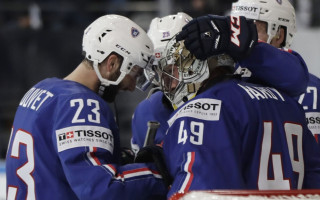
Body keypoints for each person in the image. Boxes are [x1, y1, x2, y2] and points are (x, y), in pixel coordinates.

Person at [5, 14, 167, 200]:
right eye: (134, 73)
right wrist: (159, 172)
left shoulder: (40, 89)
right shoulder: (82, 104)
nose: (131, 87)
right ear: (112, 62)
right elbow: (102, 189)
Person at [158, 35, 320, 199]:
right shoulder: (288, 103)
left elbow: (200, 193)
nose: (171, 83)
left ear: (198, 66)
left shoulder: (201, 108)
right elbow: (314, 179)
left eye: (175, 71)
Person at [131, 9, 309, 154]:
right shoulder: (147, 111)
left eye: (173, 69)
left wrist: (239, 42)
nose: (167, 82)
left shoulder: (233, 87)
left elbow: (297, 79)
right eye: (158, 71)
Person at [230, 0, 320, 145]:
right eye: (236, 29)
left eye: (251, 30)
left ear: (279, 34)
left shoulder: (313, 92)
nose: (239, 38)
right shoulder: (221, 78)